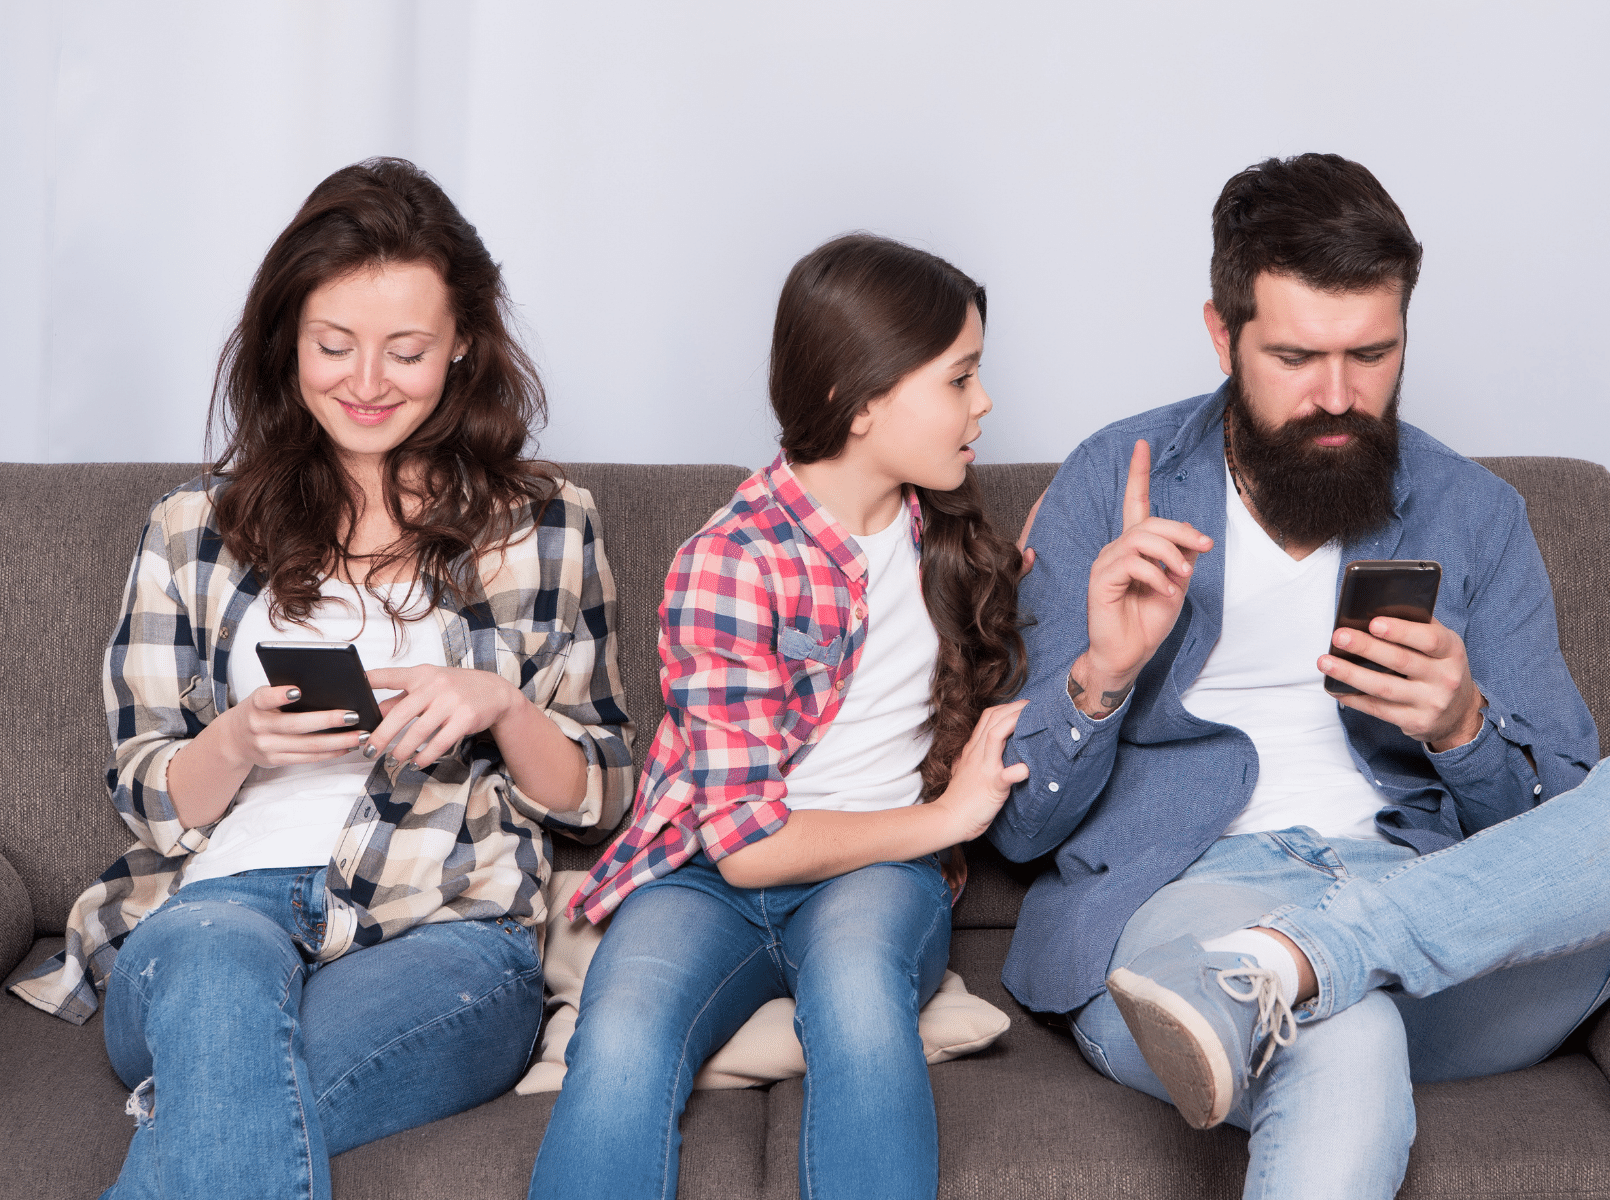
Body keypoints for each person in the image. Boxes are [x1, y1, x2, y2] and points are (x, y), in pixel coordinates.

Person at [988, 152, 1610, 1198]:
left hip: (1442, 914)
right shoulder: (1118, 479)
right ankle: (1299, 970)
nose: (1337, 396)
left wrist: (1463, 728)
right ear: (1222, 335)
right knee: (1345, 1035)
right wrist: (1101, 675)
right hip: (1197, 918)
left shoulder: (1475, 513)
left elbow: (1566, 836)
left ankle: (1315, 955)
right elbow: (1022, 832)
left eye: (1372, 354)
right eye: (1295, 357)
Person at [8, 158, 634, 1198]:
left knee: (228, 1093)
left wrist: (503, 707)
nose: (366, 381)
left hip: (446, 929)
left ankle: (197, 1110)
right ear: (288, 339)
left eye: (408, 350)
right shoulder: (189, 530)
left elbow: (605, 789)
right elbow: (144, 788)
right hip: (212, 912)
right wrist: (238, 740)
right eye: (333, 346)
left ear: (464, 345)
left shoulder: (549, 525)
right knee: (215, 970)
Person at [531, 234, 1028, 1200]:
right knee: (624, 1025)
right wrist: (949, 821)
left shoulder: (950, 533)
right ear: (864, 398)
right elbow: (749, 848)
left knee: (856, 998)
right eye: (961, 377)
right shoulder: (733, 559)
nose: (985, 403)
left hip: (875, 876)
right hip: (712, 874)